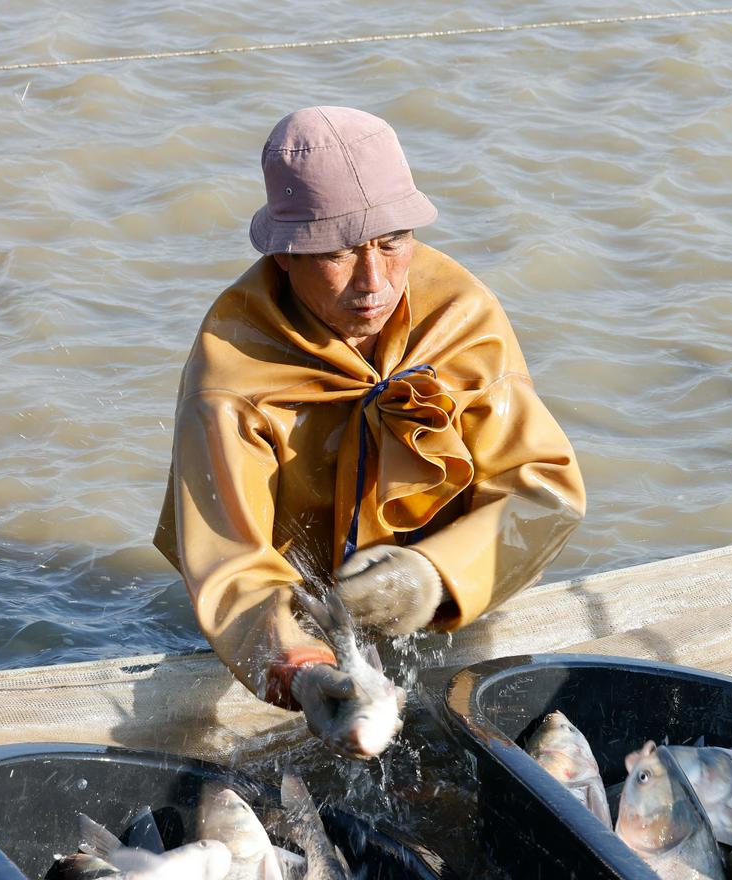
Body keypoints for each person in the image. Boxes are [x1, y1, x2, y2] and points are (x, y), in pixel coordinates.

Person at [155, 106, 584, 754]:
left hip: (446, 598)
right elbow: (230, 563)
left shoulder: (460, 316)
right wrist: (300, 670)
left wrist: (432, 577)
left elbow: (544, 490)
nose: (374, 282)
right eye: (336, 253)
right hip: (307, 616)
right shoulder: (230, 376)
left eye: (392, 242)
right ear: (284, 254)